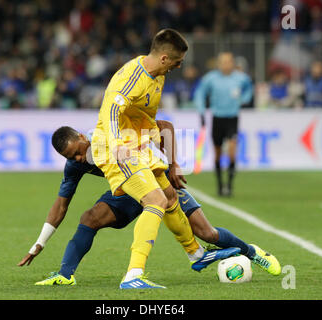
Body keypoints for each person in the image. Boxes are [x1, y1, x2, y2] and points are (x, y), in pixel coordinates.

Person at [17, 122, 281, 286]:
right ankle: (65, 274)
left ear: (81, 136)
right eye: (70, 156)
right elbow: (61, 205)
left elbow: (164, 126)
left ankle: (251, 252)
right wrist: (39, 243)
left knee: (206, 233)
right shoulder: (75, 165)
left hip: (158, 181)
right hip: (127, 191)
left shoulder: (111, 131)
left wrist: (172, 164)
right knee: (89, 218)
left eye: (77, 150)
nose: (77, 158)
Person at [90, 28, 207, 289]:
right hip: (114, 146)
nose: (178, 67)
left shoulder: (158, 76)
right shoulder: (131, 77)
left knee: (169, 197)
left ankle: (197, 254)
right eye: (177, 62)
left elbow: (145, 113)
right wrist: (119, 145)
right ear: (164, 58)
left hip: (138, 143)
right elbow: (110, 110)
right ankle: (133, 275)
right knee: (154, 200)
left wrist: (153, 136)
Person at [194, 52, 253, 197]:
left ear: (233, 63)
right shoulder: (211, 78)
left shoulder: (240, 78)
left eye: (228, 62)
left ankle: (230, 185)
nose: (226, 64)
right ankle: (220, 184)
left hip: (232, 118)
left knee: (232, 151)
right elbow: (200, 93)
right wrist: (201, 109)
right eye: (223, 62)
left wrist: (244, 99)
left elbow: (249, 88)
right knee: (218, 154)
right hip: (217, 118)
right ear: (218, 64)